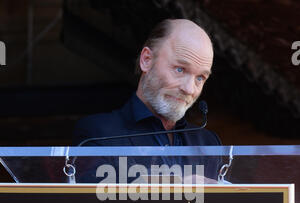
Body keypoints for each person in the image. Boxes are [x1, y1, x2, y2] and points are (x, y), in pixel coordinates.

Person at [73, 18, 221, 182]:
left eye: (200, 78)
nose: (189, 89)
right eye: (180, 69)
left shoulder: (208, 143)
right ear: (146, 60)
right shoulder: (98, 133)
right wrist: (173, 187)